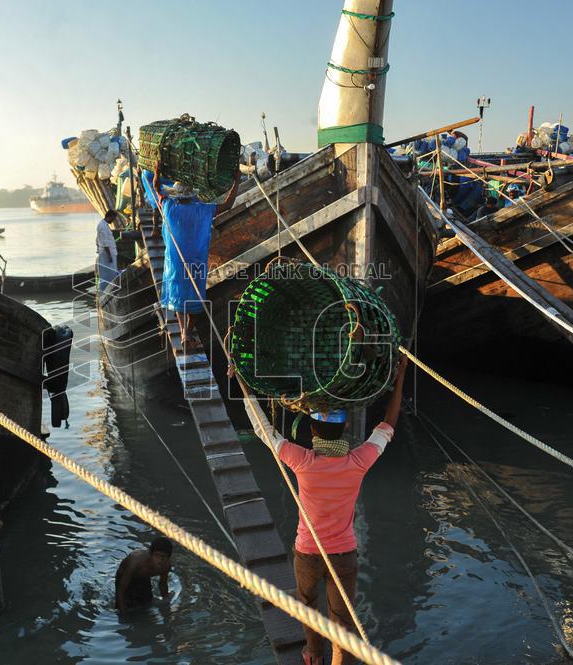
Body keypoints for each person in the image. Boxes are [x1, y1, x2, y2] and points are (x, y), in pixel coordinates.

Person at [237, 356, 409, 665]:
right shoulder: (357, 462)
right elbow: (388, 424)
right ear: (343, 430)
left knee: (308, 604)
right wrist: (400, 376)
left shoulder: (302, 461)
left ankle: (313, 655)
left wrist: (241, 381)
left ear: (313, 431)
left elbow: (263, 429)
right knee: (341, 620)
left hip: (308, 552)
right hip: (344, 555)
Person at [141, 170, 240, 351]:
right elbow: (228, 205)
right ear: (192, 194)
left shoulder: (169, 206)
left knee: (179, 294)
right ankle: (188, 331)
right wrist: (237, 181)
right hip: (196, 259)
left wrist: (156, 169)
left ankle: (184, 332)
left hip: (176, 260)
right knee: (195, 294)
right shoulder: (203, 209)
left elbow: (155, 187)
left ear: (177, 194)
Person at [114, 537, 173, 612]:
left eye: (164, 557)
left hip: (144, 576)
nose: (160, 560)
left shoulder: (166, 566)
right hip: (125, 575)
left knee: (147, 603)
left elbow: (163, 585)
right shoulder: (136, 562)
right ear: (151, 554)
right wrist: (123, 612)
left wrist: (167, 606)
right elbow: (121, 589)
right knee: (122, 608)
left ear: (168, 557)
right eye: (157, 555)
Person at [96, 210, 120, 293]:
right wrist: (109, 256)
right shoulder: (103, 226)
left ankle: (109, 290)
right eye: (113, 218)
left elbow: (97, 239)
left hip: (108, 253)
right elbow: (105, 243)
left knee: (110, 273)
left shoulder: (103, 225)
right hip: (107, 254)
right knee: (108, 274)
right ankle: (106, 291)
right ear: (109, 216)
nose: (113, 220)